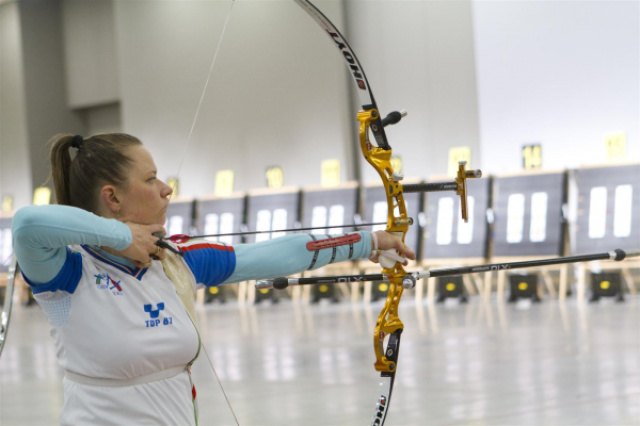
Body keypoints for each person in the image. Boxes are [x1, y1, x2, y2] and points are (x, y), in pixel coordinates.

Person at [12, 133, 415, 425]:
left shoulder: (174, 261)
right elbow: (27, 223)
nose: (166, 189)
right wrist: (121, 236)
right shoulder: (67, 271)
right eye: (151, 179)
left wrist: (369, 242)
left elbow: (274, 253)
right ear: (112, 197)